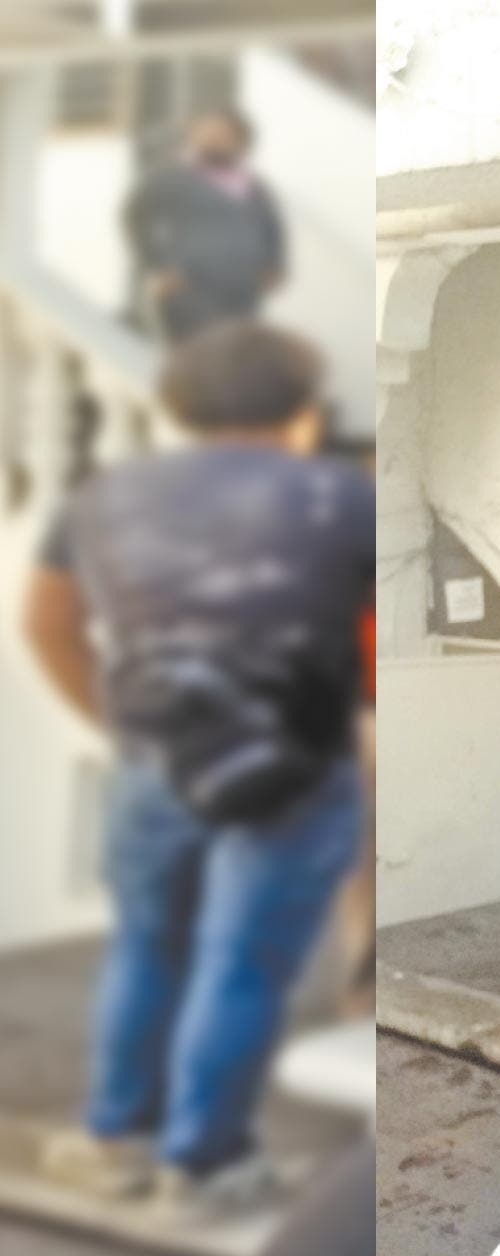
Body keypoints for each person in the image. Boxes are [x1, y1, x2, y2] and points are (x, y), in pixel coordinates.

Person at [22, 322, 372, 1217]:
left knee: (146, 948)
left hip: (157, 757)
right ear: (300, 407)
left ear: (180, 405)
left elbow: (46, 625)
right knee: (243, 964)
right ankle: (200, 1166)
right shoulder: (341, 498)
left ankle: (113, 1141)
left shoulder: (107, 497)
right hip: (297, 766)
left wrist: (120, 724)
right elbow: (374, 637)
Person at [123, 106, 286, 343]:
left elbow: (271, 227)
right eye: (206, 132)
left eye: (222, 134)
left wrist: (274, 264)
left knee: (236, 349)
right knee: (201, 350)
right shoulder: (171, 178)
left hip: (243, 287)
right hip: (190, 286)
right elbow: (135, 218)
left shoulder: (253, 186)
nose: (213, 139)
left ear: (240, 141)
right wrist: (157, 266)